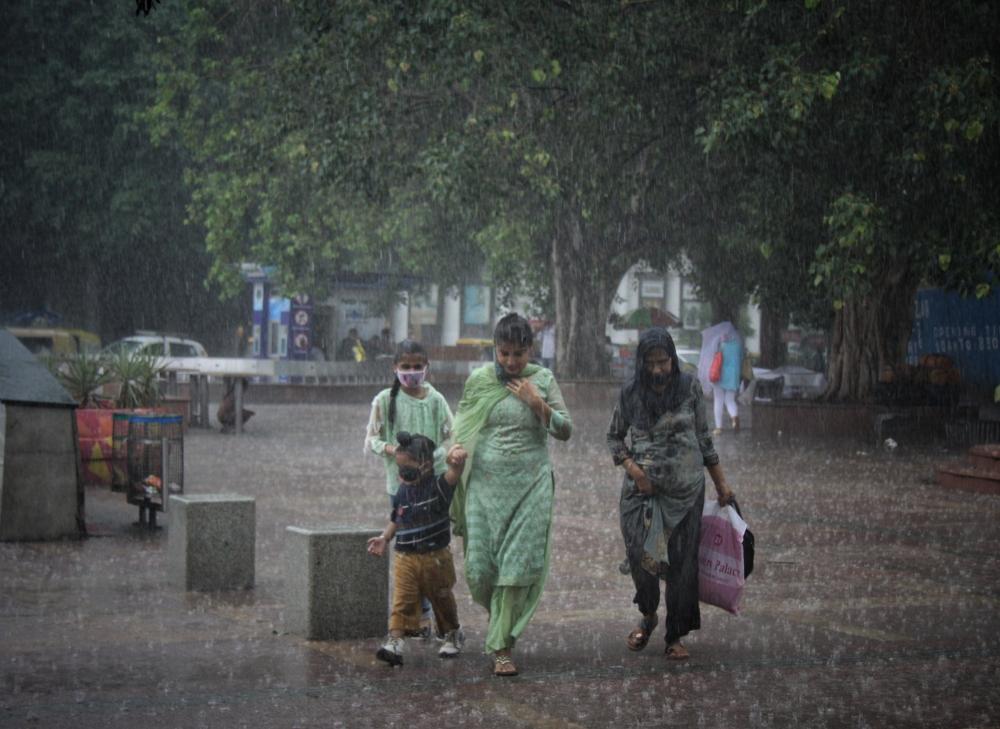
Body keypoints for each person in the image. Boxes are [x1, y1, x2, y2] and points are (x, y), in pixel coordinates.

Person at [450, 312, 572, 676]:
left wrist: (538, 403)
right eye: (503, 353)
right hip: (484, 488)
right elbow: (463, 425)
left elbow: (565, 430)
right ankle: (499, 618)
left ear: (530, 351)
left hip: (530, 487)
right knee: (480, 568)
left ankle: (501, 645)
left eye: (518, 354)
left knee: (515, 569)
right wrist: (454, 452)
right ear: (495, 350)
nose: (511, 362)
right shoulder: (480, 381)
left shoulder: (543, 380)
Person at [607, 327, 734, 661]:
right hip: (642, 495)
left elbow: (704, 439)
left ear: (673, 360)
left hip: (686, 491)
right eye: (650, 363)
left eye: (663, 362)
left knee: (681, 564)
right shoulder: (631, 392)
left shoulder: (690, 387)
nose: (658, 370)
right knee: (640, 558)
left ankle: (675, 634)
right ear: (641, 363)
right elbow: (615, 439)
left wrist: (722, 485)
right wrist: (635, 472)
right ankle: (647, 615)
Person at [364, 339, 454, 636]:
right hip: (400, 487)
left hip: (434, 489)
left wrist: (431, 458)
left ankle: (430, 616)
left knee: (431, 550)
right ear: (395, 367)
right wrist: (393, 452)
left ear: (427, 367)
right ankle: (417, 616)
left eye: (418, 367)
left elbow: (451, 437)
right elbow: (372, 441)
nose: (412, 372)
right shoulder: (384, 401)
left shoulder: (436, 400)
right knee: (408, 551)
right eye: (406, 367)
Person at [366, 432, 468, 666]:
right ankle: (395, 641)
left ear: (427, 465)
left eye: (408, 468)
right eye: (399, 468)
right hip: (405, 556)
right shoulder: (402, 491)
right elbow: (397, 517)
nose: (403, 475)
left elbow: (455, 473)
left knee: (441, 598)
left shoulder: (440, 486)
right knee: (402, 599)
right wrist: (385, 537)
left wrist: (457, 460)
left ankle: (452, 632)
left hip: (436, 557)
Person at [713, 326, 743, 435]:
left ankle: (718, 428)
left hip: (719, 376)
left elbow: (714, 359)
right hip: (733, 377)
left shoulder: (720, 345)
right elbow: (741, 360)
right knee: (730, 400)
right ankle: (734, 418)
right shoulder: (738, 346)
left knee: (718, 400)